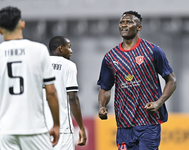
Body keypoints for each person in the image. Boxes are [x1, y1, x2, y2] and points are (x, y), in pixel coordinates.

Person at [97, 11, 176, 150]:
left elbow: (172, 80)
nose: (124, 25)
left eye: (129, 22)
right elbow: (105, 88)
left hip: (148, 122)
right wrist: (102, 106)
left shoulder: (152, 51)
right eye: (122, 22)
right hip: (123, 124)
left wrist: (158, 103)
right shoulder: (110, 57)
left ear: (139, 27)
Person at [0, 6, 60, 150]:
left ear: (0, 30)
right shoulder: (39, 50)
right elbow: (51, 92)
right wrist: (57, 124)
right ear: (22, 24)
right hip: (34, 129)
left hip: (5, 131)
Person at [43, 36, 87, 150]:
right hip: (62, 129)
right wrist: (81, 127)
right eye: (69, 47)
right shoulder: (68, 65)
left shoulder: (40, 64)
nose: (71, 51)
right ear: (61, 48)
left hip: (40, 128)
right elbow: (72, 98)